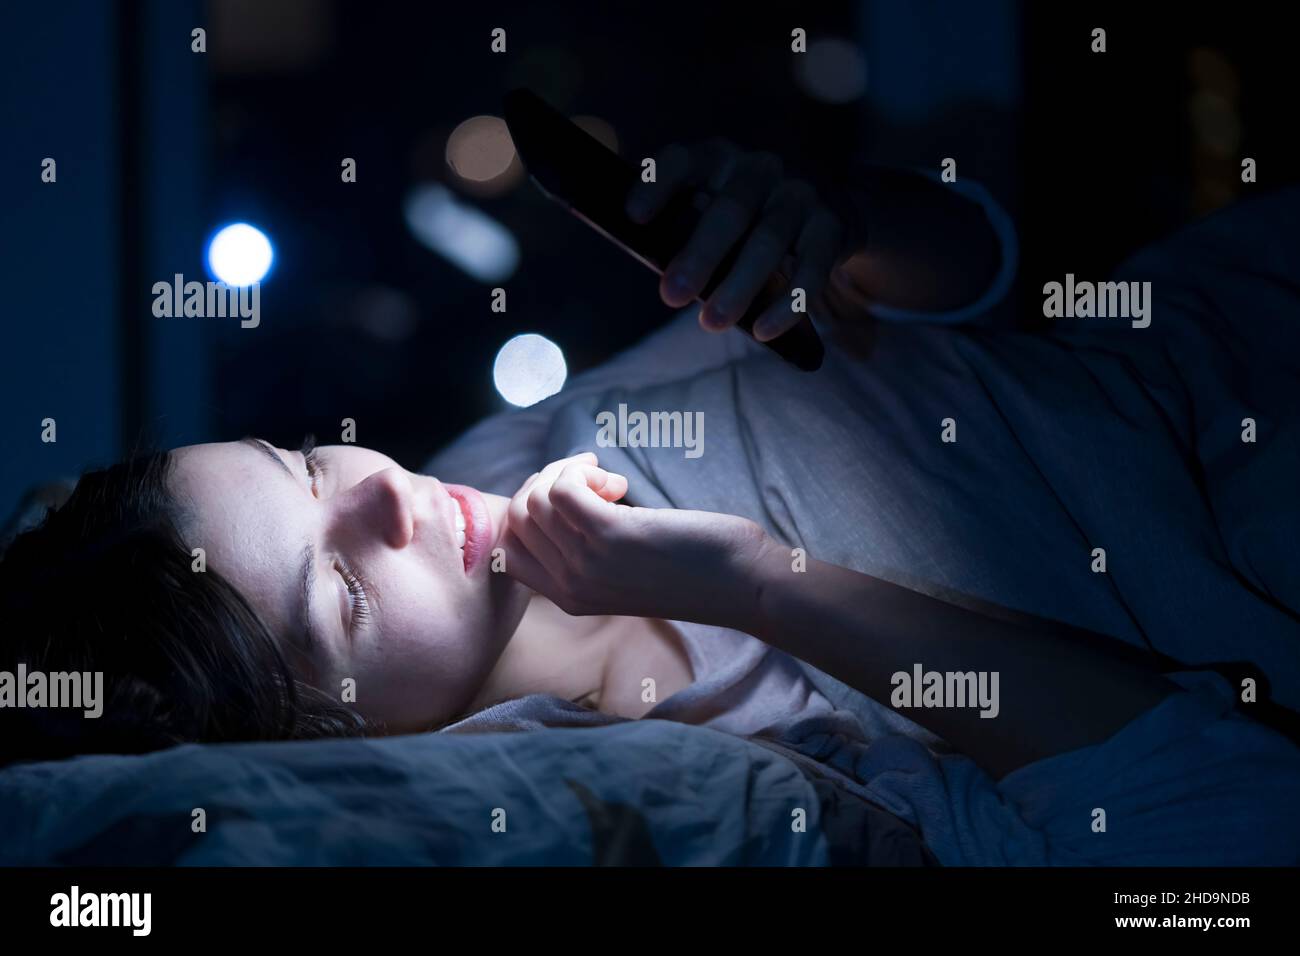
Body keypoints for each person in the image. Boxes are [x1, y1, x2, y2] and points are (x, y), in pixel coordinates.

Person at [2, 142, 1297, 865]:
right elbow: (1228, 822)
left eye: (310, 466)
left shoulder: (501, 447)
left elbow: (976, 275)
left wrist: (838, 216)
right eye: (341, 594)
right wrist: (751, 582)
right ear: (334, 742)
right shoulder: (701, 782)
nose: (393, 496)